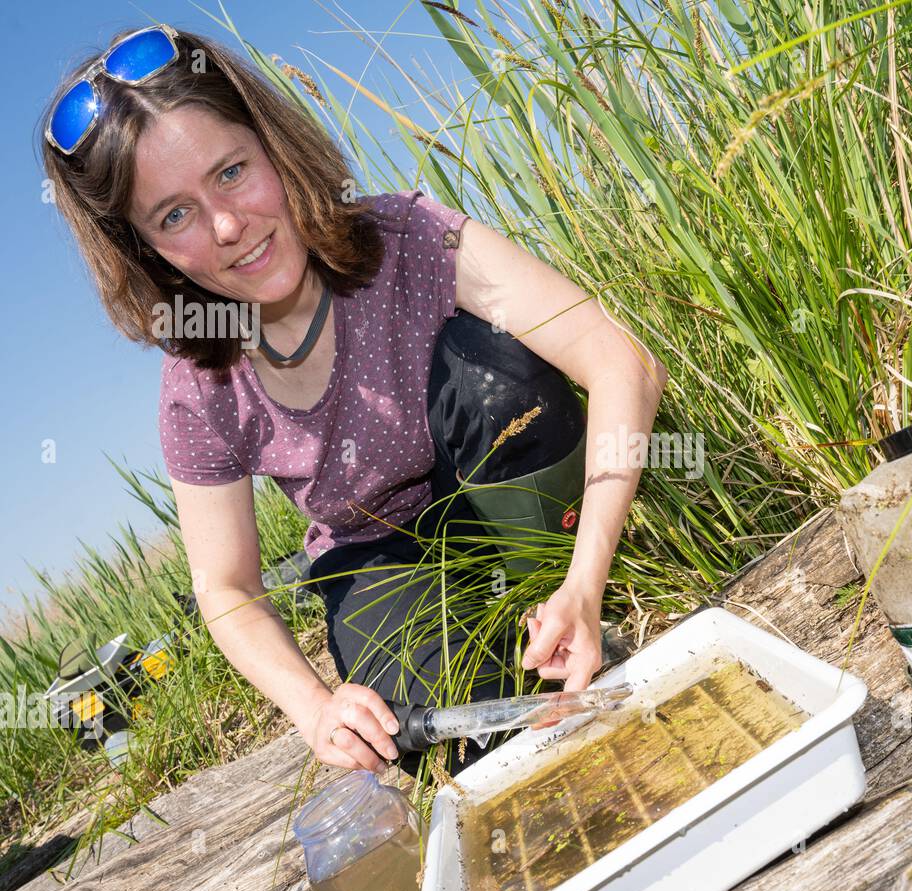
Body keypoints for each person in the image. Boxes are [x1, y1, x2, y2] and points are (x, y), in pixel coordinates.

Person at [40, 24, 668, 778]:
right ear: (144, 249)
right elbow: (228, 587)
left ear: (272, 145)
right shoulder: (197, 390)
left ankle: (561, 603)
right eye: (174, 216)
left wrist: (585, 583)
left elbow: (618, 358)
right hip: (378, 568)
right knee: (482, 733)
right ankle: (516, 673)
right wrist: (312, 705)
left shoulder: (405, 237)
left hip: (508, 507)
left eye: (233, 171)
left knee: (497, 372)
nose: (229, 226)